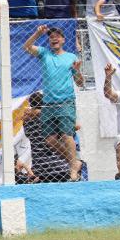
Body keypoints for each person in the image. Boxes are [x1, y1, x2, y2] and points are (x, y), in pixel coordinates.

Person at [22, 25, 85, 181]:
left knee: (66, 135)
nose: (54, 38)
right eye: (51, 37)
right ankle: (75, 162)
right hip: (48, 103)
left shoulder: (71, 57)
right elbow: (26, 47)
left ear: (63, 40)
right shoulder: (44, 54)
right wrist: (37, 33)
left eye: (57, 36)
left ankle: (72, 170)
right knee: (50, 140)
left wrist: (77, 71)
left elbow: (80, 83)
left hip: (65, 101)